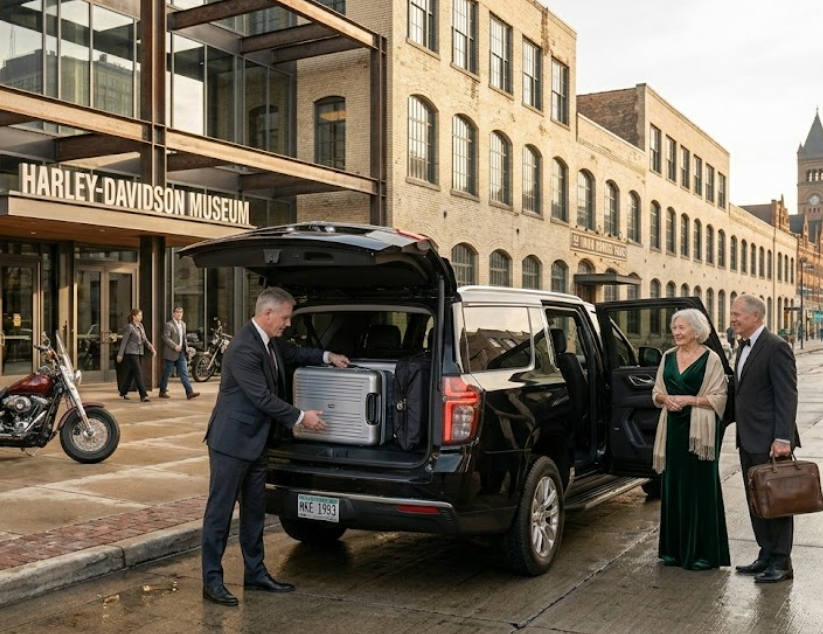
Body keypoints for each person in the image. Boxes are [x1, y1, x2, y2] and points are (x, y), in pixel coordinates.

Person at [201, 287, 350, 607]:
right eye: (284, 318)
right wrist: (301, 417)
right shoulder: (243, 348)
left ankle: (255, 574)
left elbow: (296, 354)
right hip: (231, 443)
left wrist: (328, 356)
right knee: (220, 515)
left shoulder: (269, 342)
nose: (287, 324)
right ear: (267, 314)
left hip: (256, 443)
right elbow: (262, 398)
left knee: (255, 512)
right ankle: (212, 581)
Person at [651, 308, 730, 571]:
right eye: (674, 327)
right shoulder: (668, 357)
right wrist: (666, 399)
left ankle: (702, 554)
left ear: (697, 331)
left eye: (682, 327)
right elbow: (656, 392)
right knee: (674, 487)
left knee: (700, 489)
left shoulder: (712, 359)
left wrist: (689, 400)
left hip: (700, 435)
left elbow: (719, 397)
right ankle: (673, 552)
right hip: (672, 429)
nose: (676, 332)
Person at [730, 294, 799, 584]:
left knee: (777, 500)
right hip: (747, 438)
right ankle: (766, 555)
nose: (733, 319)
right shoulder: (742, 347)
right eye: (733, 314)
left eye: (737, 314)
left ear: (756, 316)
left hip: (771, 441)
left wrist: (782, 437)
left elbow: (787, 395)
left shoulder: (776, 347)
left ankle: (782, 562)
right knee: (756, 500)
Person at [158, 306, 200, 400]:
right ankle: (162, 391)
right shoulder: (169, 325)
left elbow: (184, 338)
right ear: (173, 313)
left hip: (181, 353)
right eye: (177, 312)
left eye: (181, 312)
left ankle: (189, 392)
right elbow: (165, 337)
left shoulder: (183, 324)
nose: (179, 314)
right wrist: (174, 346)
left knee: (184, 372)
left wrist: (187, 347)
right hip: (171, 353)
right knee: (167, 373)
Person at [116, 308, 156, 403]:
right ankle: (144, 395)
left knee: (132, 373)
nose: (140, 317)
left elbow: (145, 340)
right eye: (138, 315)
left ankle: (123, 391)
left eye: (141, 315)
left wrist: (151, 348)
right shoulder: (129, 327)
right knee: (138, 373)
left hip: (139, 352)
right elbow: (124, 341)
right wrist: (120, 355)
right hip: (131, 353)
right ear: (134, 316)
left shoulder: (141, 326)